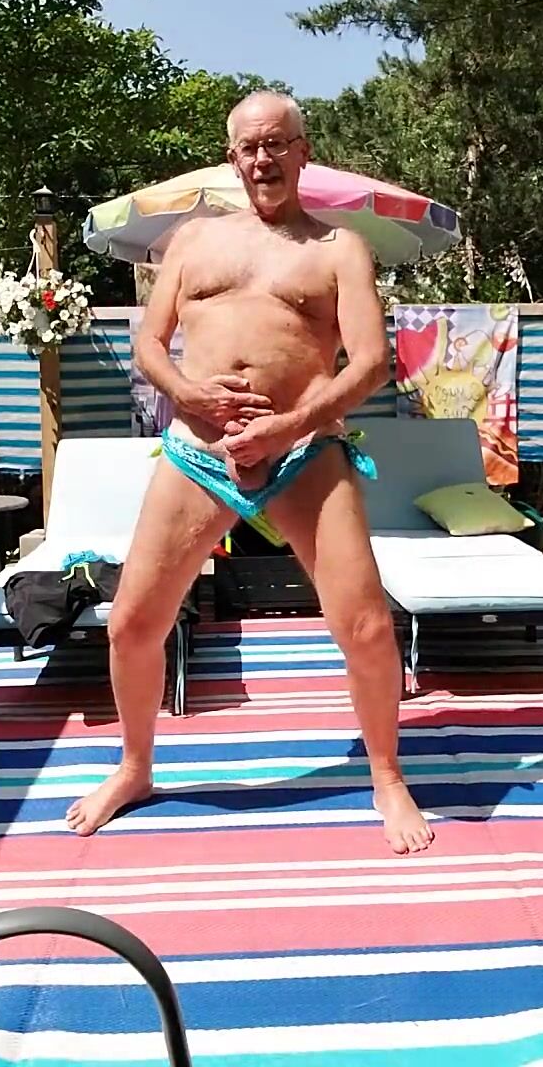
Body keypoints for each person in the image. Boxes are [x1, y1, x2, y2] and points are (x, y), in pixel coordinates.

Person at [67, 90, 434, 855]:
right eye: (249, 147)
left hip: (305, 451)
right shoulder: (192, 241)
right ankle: (134, 767)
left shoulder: (338, 248)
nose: (263, 158)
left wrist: (287, 425)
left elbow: (370, 362)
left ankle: (387, 774)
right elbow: (148, 344)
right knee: (132, 623)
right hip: (199, 450)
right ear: (232, 158)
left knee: (366, 626)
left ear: (303, 152)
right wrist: (189, 393)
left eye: (277, 144)